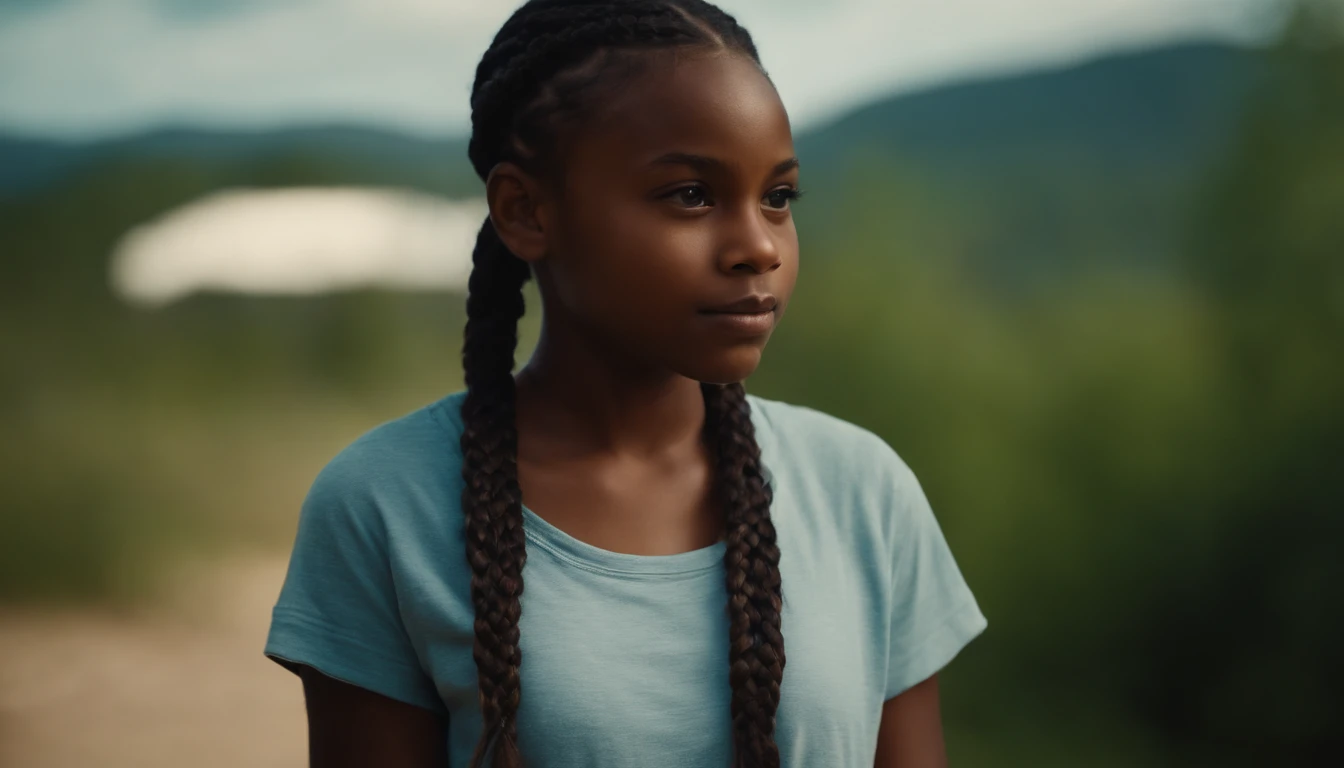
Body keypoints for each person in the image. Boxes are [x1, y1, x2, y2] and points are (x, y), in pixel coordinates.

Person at [263, 1, 987, 766]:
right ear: (526, 210)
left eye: (778, 198)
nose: (756, 246)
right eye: (690, 195)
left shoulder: (862, 493)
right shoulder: (384, 506)